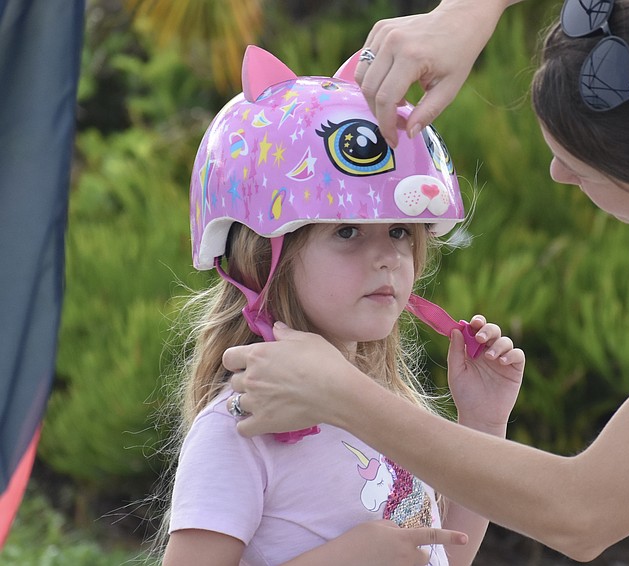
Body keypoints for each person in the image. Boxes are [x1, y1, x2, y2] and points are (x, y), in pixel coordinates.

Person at [221, 0, 629, 561]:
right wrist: (465, 13)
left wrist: (345, 398)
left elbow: (585, 513)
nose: (553, 173)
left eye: (578, 168)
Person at [158, 45, 525, 566]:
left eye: (400, 230)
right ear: (263, 257)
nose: (387, 258)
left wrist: (482, 424)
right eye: (348, 231)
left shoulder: (384, 409)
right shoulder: (241, 428)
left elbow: (446, 556)